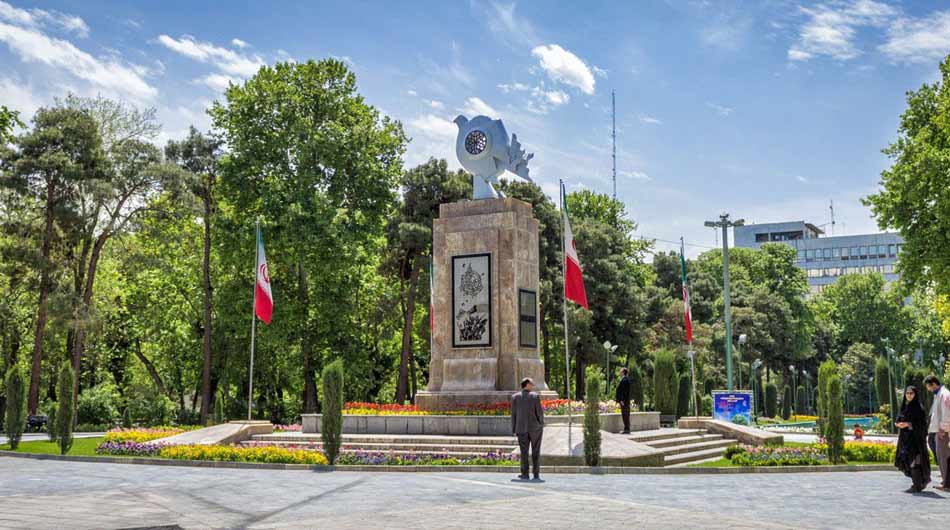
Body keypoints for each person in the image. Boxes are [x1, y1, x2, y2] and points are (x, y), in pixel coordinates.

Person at [894, 386, 932, 492]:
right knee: (907, 460)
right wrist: (898, 424)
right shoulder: (905, 406)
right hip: (905, 439)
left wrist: (908, 424)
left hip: (915, 440)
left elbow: (922, 425)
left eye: (911, 393)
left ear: (915, 394)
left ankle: (917, 485)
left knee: (915, 461)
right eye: (907, 393)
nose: (909, 395)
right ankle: (918, 483)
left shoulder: (918, 408)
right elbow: (899, 418)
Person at [511, 377, 544, 480]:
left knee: (524, 452)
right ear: (527, 384)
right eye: (532, 384)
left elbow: (513, 415)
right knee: (536, 451)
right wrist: (541, 423)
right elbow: (539, 412)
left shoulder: (515, 397)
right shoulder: (535, 396)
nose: (533, 386)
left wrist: (514, 428)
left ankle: (525, 474)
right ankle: (536, 474)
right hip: (535, 428)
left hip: (521, 429)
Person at [924, 375, 950, 490]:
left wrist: (943, 429)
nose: (928, 389)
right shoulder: (939, 395)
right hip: (939, 430)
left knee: (942, 456)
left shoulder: (944, 395)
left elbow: (946, 413)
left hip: (942, 432)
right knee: (942, 456)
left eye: (928, 387)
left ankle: (946, 483)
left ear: (933, 384)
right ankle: (946, 481)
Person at [615, 367, 632, 434]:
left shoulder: (625, 380)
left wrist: (622, 400)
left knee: (625, 415)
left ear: (623, 372)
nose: (620, 372)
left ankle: (627, 429)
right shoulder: (623, 379)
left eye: (621, 371)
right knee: (625, 415)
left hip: (624, 401)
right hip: (623, 401)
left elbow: (625, 392)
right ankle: (626, 428)